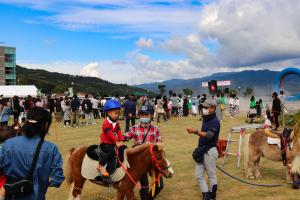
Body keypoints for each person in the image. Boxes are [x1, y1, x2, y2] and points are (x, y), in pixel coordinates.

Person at [0, 107, 64, 200]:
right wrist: (48, 183)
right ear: (46, 125)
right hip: (36, 195)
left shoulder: (9, 143)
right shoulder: (50, 148)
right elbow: (57, 177)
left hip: (11, 194)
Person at [124, 106, 162, 200]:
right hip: (140, 162)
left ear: (150, 115)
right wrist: (116, 137)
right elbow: (125, 137)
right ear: (139, 115)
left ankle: (149, 197)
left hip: (152, 160)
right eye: (142, 114)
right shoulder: (134, 128)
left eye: (146, 114)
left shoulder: (155, 129)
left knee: (159, 184)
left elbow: (159, 144)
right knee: (144, 185)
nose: (144, 116)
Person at [186, 99, 220, 200]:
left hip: (210, 151)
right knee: (198, 175)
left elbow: (209, 135)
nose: (203, 109)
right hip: (201, 151)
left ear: (212, 109)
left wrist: (195, 131)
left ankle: (212, 197)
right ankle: (206, 195)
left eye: (206, 107)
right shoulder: (206, 118)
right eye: (203, 107)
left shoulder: (215, 122)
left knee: (211, 176)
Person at [98, 100, 124, 177]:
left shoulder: (116, 122)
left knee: (122, 148)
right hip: (105, 143)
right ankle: (101, 166)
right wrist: (116, 141)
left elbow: (118, 131)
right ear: (109, 113)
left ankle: (119, 163)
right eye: (115, 113)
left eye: (118, 113)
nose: (117, 115)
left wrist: (121, 140)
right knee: (111, 151)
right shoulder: (106, 123)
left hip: (112, 142)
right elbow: (109, 134)